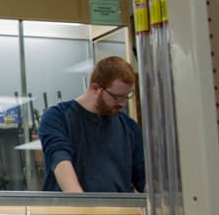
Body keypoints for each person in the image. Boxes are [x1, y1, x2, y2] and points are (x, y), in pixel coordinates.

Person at [38, 56, 145, 193]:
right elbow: (60, 159)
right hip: (73, 205)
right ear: (95, 88)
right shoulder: (58, 117)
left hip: (118, 207)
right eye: (116, 97)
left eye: (126, 96)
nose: (123, 104)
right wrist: (79, 200)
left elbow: (142, 176)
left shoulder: (129, 127)